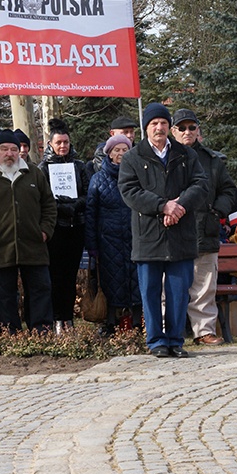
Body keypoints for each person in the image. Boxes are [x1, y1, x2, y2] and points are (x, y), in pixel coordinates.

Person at [118, 103, 207, 358]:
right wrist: (162, 206)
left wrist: (179, 206)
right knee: (150, 292)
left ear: (170, 127)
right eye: (154, 123)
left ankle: (176, 340)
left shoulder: (186, 155)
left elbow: (201, 185)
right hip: (148, 236)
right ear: (146, 127)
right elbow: (129, 191)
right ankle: (156, 341)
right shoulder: (133, 157)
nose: (159, 127)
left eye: (164, 123)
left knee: (179, 292)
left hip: (181, 234)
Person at [0, 129, 57, 333]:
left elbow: (49, 205)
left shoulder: (34, 173)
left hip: (34, 244)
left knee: (40, 289)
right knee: (4, 293)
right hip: (0, 246)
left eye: (13, 149)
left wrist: (44, 231)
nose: (9, 153)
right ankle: (11, 333)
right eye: (4, 149)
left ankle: (41, 331)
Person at [170, 109, 237, 346]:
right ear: (173, 131)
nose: (187, 132)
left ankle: (204, 331)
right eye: (182, 128)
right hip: (171, 230)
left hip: (204, 229)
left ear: (198, 130)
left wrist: (217, 211)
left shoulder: (212, 161)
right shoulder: (163, 157)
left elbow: (230, 191)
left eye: (192, 127)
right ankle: (168, 333)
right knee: (168, 286)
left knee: (204, 287)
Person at [85, 133, 140, 334]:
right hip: (108, 241)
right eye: (117, 150)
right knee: (111, 282)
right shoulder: (98, 179)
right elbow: (91, 213)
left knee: (135, 282)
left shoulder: (136, 176)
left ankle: (136, 322)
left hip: (134, 237)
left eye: (125, 150)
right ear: (109, 154)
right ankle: (110, 323)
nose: (121, 154)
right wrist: (92, 244)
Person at [37, 118, 89, 333]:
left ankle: (68, 319)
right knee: (55, 276)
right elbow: (41, 199)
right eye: (58, 142)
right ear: (50, 144)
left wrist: (75, 205)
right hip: (55, 228)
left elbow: (88, 194)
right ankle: (56, 319)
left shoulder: (79, 166)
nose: (63, 146)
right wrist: (60, 207)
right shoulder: (43, 168)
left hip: (76, 226)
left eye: (66, 142)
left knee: (70, 276)